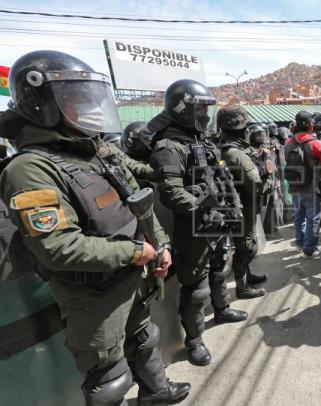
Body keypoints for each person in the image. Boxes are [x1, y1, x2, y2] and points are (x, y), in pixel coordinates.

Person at [0, 50, 190, 405]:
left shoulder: (94, 152)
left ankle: (156, 393)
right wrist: (136, 252)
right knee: (109, 379)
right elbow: (57, 248)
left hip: (132, 276)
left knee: (144, 338)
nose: (87, 107)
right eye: (75, 99)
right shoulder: (29, 169)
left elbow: (139, 201)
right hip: (93, 296)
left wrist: (159, 246)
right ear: (44, 104)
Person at [149, 80, 248, 367]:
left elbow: (223, 177)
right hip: (193, 227)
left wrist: (233, 208)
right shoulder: (169, 146)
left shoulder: (202, 141)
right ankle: (194, 341)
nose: (206, 115)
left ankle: (222, 309)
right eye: (201, 108)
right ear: (182, 109)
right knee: (195, 288)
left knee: (220, 268)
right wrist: (205, 212)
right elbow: (171, 192)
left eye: (207, 109)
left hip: (217, 220)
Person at [219, 106, 269, 294]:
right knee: (247, 247)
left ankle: (246, 276)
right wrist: (269, 178)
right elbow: (255, 184)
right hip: (243, 206)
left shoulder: (228, 149)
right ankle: (242, 287)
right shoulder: (235, 153)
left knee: (245, 244)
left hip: (238, 205)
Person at [284, 111, 321, 258]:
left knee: (298, 217)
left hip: (294, 187)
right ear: (311, 126)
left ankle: (300, 245)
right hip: (312, 187)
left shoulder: (288, 143)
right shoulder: (316, 144)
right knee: (312, 218)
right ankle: (309, 250)